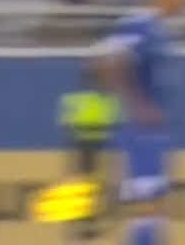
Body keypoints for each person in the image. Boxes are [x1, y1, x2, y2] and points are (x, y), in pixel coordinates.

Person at [94, 0, 185, 245]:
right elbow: (107, 61)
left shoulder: (163, 31)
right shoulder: (138, 24)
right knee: (146, 206)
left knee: (155, 209)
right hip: (141, 134)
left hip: (158, 133)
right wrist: (137, 106)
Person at [58, 66, 119, 244]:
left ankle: (86, 222)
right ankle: (86, 222)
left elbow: (66, 124)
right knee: (89, 184)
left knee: (88, 184)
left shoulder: (75, 100)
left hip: (90, 147)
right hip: (91, 147)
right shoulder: (106, 101)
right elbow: (113, 124)